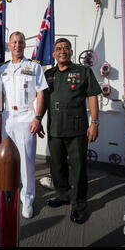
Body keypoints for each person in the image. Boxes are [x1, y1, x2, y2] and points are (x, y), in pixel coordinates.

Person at [41, 38, 102, 224]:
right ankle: (64, 195)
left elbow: (92, 96)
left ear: (71, 51)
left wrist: (95, 122)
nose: (62, 51)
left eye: (66, 48)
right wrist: (38, 119)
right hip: (55, 129)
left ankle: (79, 205)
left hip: (77, 130)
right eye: (58, 49)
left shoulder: (83, 72)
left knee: (78, 169)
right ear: (53, 54)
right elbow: (42, 98)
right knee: (57, 168)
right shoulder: (48, 74)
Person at [0, 31, 48, 219]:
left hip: (27, 117)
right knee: (7, 160)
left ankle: (27, 199)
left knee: (27, 162)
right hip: (8, 118)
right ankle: (9, 191)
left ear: (25, 45)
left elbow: (41, 92)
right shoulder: (3, 69)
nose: (17, 45)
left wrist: (38, 117)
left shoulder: (33, 67)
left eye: (20, 42)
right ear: (9, 46)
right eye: (14, 42)